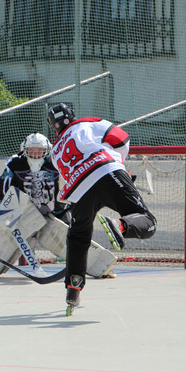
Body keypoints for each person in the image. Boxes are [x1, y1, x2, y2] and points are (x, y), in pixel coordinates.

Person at [47, 103, 157, 312]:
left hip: (78, 190)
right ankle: (120, 226)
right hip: (106, 170)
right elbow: (122, 139)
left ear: (53, 127)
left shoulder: (55, 151)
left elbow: (66, 173)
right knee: (147, 220)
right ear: (72, 115)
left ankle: (73, 288)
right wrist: (120, 167)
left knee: (78, 237)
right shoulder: (89, 123)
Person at [0, 132, 117, 279]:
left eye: (39, 150)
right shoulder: (15, 163)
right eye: (32, 150)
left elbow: (71, 186)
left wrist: (65, 205)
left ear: (46, 151)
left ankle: (101, 267)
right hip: (23, 211)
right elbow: (2, 188)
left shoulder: (56, 164)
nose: (35, 154)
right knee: (5, 233)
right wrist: (13, 205)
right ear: (24, 150)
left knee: (73, 238)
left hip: (54, 213)